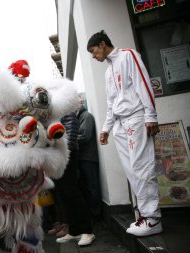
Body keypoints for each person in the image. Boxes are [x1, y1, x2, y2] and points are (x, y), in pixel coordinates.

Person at [87, 30, 162, 236]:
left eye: (93, 51)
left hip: (136, 118)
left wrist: (151, 116)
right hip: (120, 124)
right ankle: (144, 215)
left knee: (142, 167)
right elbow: (111, 103)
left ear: (102, 44)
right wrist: (105, 128)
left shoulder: (128, 55)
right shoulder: (107, 71)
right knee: (132, 171)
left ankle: (153, 219)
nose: (93, 56)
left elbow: (143, 83)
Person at [55, 113, 95, 246]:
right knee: (62, 193)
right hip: (55, 155)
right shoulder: (52, 109)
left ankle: (87, 230)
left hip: (67, 152)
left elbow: (71, 136)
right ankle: (74, 231)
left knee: (71, 191)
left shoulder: (66, 110)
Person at [77, 103, 102, 221]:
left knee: (92, 187)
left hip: (88, 158)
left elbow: (84, 136)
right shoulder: (81, 117)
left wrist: (70, 139)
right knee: (88, 187)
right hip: (85, 157)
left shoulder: (86, 116)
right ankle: (93, 214)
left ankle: (96, 215)